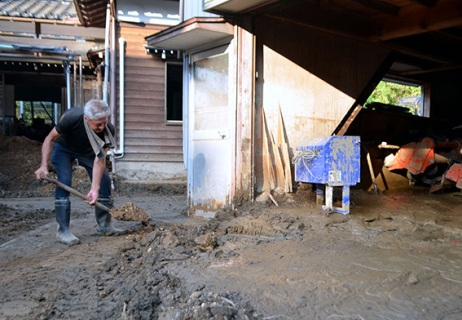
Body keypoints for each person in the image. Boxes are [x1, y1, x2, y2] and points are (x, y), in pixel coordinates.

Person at [35, 99, 122, 246]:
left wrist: (95, 189)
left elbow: (99, 160)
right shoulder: (72, 117)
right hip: (63, 150)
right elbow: (50, 138)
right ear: (86, 119)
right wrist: (44, 165)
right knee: (64, 181)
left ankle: (104, 225)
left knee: (105, 181)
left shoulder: (108, 130)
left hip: (88, 152)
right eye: (98, 124)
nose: (102, 126)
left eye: (104, 122)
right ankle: (63, 231)